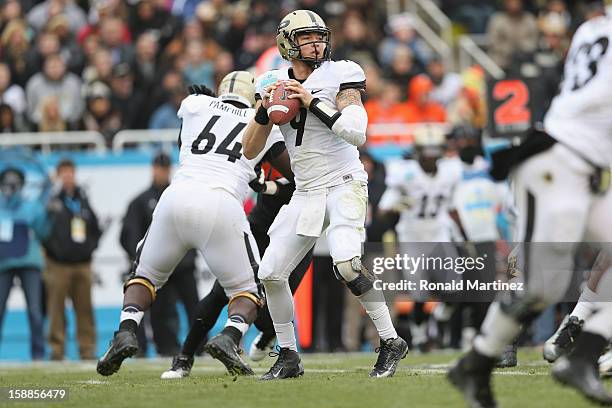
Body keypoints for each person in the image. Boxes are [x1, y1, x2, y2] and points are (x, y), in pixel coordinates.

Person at [449, 2, 612, 405]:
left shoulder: (594, 29)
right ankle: (479, 362)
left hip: (579, 165)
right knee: (541, 284)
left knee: (546, 280)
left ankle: (583, 352)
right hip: (558, 164)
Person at [242, 10, 408, 380]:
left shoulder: (340, 74)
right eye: (307, 37)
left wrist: (312, 101)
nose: (316, 43)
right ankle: (288, 354)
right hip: (307, 190)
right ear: (287, 43)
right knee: (270, 272)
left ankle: (390, 340)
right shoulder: (271, 81)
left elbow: (356, 132)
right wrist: (263, 111)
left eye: (319, 36)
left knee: (347, 265)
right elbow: (250, 149)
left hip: (345, 180)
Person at [97, 71, 284, 377]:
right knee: (247, 291)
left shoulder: (196, 103)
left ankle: (126, 330)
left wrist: (209, 102)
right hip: (222, 203)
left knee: (144, 276)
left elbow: (186, 142)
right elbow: (290, 172)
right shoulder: (261, 120)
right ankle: (230, 336)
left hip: (176, 196)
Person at [161, 82, 312, 376]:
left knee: (275, 303)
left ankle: (264, 338)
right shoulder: (256, 126)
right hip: (262, 222)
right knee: (223, 291)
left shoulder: (298, 133)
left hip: (297, 226)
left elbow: (302, 180)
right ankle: (185, 357)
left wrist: (266, 185)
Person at [120, 152, 199, 357]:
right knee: (160, 312)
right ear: (153, 169)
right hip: (160, 266)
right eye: (159, 168)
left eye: (165, 168)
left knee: (195, 308)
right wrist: (142, 258)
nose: (162, 172)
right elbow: (129, 235)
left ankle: (199, 346)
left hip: (183, 265)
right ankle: (165, 347)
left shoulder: (180, 197)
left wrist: (190, 256)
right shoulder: (140, 201)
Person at [43, 159, 101, 360]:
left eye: (70, 173)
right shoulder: (51, 200)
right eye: (64, 173)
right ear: (58, 176)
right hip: (58, 264)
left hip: (82, 264)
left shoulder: (82, 199)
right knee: (56, 309)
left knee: (85, 309)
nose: (68, 177)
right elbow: (43, 229)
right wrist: (52, 251)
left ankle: (87, 348)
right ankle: (56, 350)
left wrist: (89, 249)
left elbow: (95, 227)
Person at [0, 166, 49, 360]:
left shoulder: (31, 205)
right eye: (6, 183)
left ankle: (38, 355)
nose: (10, 187)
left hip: (29, 262)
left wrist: (47, 214)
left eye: (14, 183)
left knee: (35, 311)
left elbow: (43, 232)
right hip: (3, 264)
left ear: (20, 185)